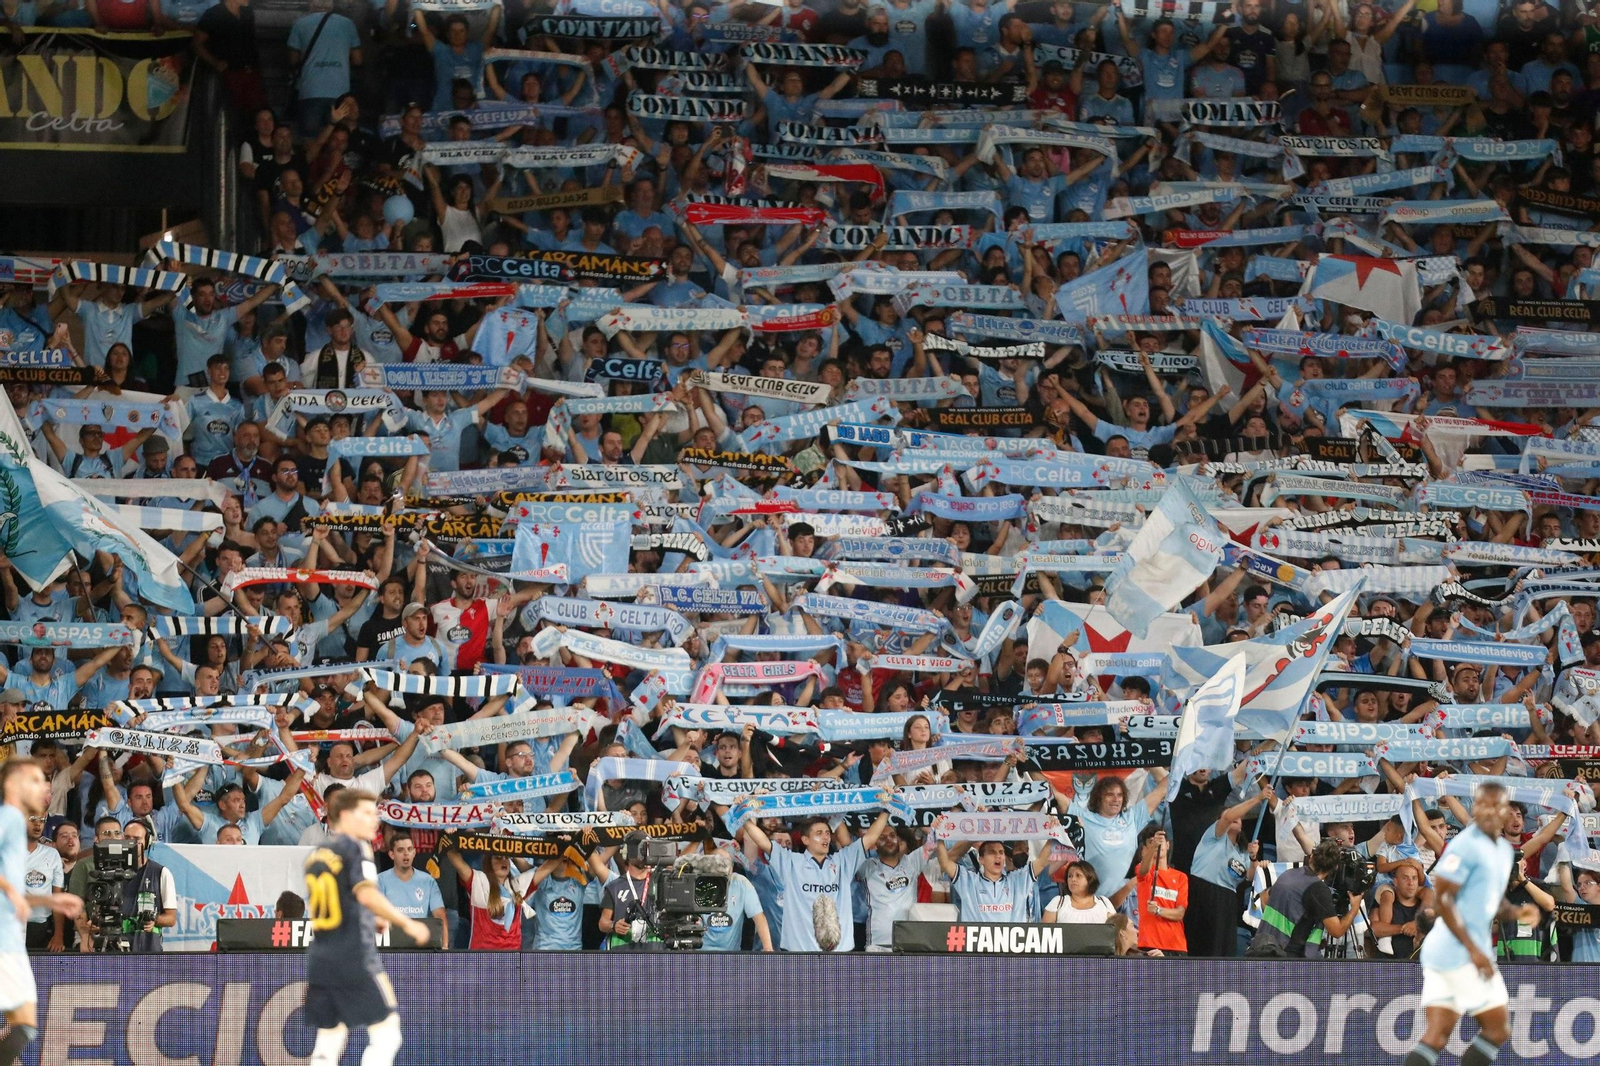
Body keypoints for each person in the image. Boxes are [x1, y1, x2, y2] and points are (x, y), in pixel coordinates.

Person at [1402, 782, 1541, 1066]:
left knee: (1438, 1037)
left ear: (1505, 811)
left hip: (1458, 952)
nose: (1490, 812)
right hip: (1456, 950)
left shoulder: (1504, 851)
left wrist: (1516, 913)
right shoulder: (1464, 846)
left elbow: (1491, 900)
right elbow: (1443, 900)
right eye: (1484, 805)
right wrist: (1473, 950)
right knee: (1496, 1029)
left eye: (1497, 806)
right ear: (1475, 808)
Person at [303, 788, 429, 1066]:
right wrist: (407, 923)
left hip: (322, 957)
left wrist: (371, 918)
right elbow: (366, 893)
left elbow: (339, 902)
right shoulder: (356, 847)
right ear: (347, 816)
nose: (376, 820)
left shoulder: (317, 855)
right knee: (387, 1033)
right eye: (368, 813)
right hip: (354, 956)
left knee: (329, 1039)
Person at [0, 758, 81, 1066]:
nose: (44, 789)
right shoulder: (8, 818)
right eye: (34, 780)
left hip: (10, 939)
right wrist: (12, 892)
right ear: (13, 785)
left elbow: (13, 896)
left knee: (24, 1025)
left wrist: (50, 902)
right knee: (23, 1024)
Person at [1248, 839, 1364, 959]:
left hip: (1262, 948)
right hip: (1289, 958)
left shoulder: (1289, 874)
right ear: (1335, 867)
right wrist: (1354, 908)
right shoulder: (1318, 889)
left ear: (1312, 857)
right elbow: (1337, 931)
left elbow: (1264, 898)